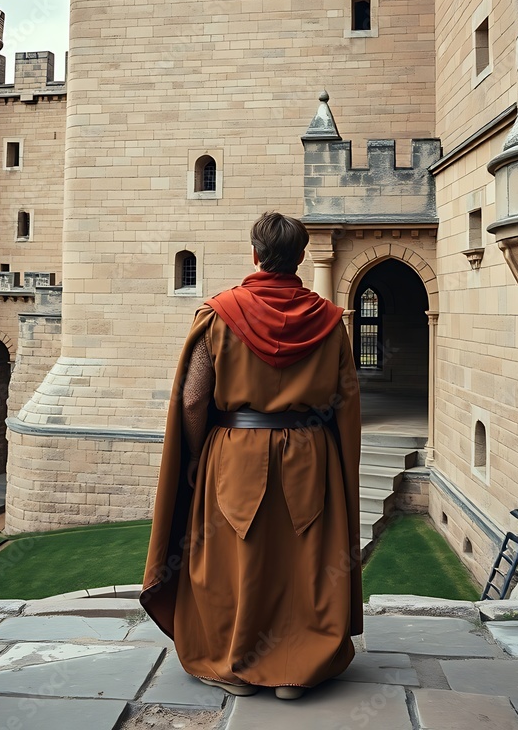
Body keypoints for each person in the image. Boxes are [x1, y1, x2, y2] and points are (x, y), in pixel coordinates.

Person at [141, 212, 362, 700]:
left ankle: (233, 668)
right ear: (301, 257)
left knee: (234, 559)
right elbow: (345, 402)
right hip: (310, 456)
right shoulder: (331, 322)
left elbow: (195, 399)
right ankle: (293, 671)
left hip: (234, 455)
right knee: (301, 561)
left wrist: (200, 455)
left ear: (255, 254)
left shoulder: (219, 315)